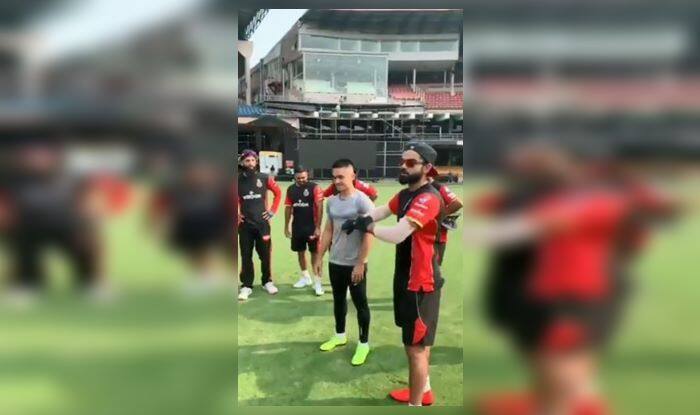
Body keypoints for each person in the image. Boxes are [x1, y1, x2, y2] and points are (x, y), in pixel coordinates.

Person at [468, 144, 678, 415]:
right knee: (554, 359)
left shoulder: (593, 201)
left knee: (561, 363)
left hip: (577, 295)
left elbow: (538, 224)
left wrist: (482, 234)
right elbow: (493, 207)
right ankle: (557, 403)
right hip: (558, 290)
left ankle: (560, 407)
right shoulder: (566, 197)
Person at [342, 141, 445, 406]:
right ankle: (424, 391)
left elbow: (399, 234)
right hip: (405, 278)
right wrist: (362, 218)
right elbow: (382, 211)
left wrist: (368, 228)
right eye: (402, 161)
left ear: (427, 167)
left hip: (420, 283)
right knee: (417, 345)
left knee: (416, 350)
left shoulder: (428, 197)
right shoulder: (405, 194)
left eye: (410, 163)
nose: (403, 166)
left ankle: (415, 405)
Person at [313, 159, 374, 366]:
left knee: (360, 303)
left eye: (341, 177)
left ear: (353, 176)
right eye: (334, 177)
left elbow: (370, 234)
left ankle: (363, 343)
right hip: (336, 261)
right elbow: (329, 229)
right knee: (338, 300)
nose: (337, 181)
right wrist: (319, 256)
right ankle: (340, 335)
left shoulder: (362, 201)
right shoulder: (332, 201)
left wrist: (361, 262)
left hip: (355, 263)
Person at [238, 149, 282, 301]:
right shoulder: (237, 179)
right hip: (245, 225)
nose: (250, 163)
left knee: (265, 255)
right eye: (247, 160)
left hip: (262, 224)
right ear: (242, 162)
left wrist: (272, 211)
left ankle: (267, 282)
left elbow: (278, 193)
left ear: (256, 162)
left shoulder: (264, 177)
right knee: (246, 255)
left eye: (253, 160)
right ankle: (246, 286)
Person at [285, 165, 324, 295]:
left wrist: (318, 227)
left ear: (307, 176)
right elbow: (288, 208)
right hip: (297, 227)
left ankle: (317, 282)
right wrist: (286, 226)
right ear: (294, 177)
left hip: (312, 227)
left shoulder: (315, 187)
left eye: (304, 177)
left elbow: (319, 207)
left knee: (315, 254)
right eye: (299, 178)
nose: (301, 180)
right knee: (300, 252)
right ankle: (305, 277)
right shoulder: (290, 189)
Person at [429, 177, 463, 266]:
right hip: (420, 238)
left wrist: (439, 218)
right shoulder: (415, 189)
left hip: (435, 238)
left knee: (433, 269)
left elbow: (457, 203)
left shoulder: (437, 187)